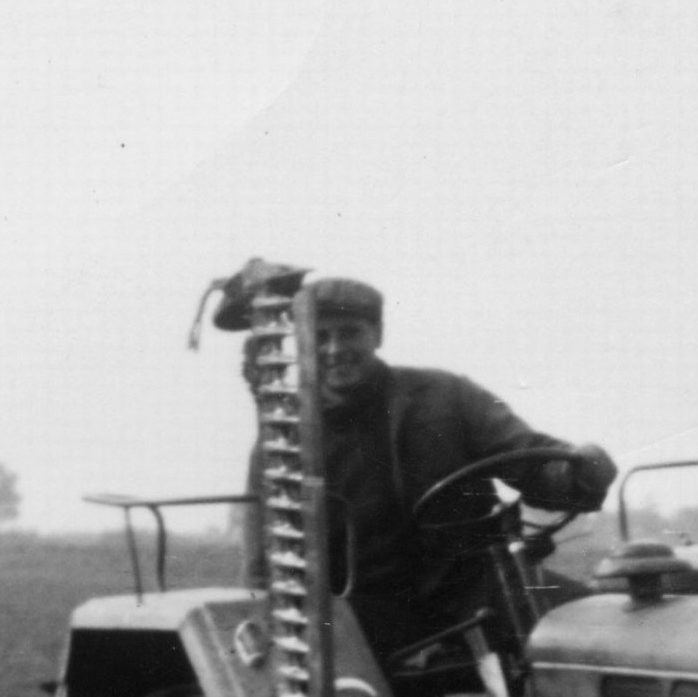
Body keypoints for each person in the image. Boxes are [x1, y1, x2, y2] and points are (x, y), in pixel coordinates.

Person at [238, 275, 615, 664]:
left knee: (606, 629)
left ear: (377, 334)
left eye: (350, 333)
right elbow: (263, 560)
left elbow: (527, 455)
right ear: (302, 344)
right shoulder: (285, 440)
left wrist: (577, 473)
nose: (335, 349)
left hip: (472, 586)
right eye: (321, 336)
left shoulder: (445, 397)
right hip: (359, 609)